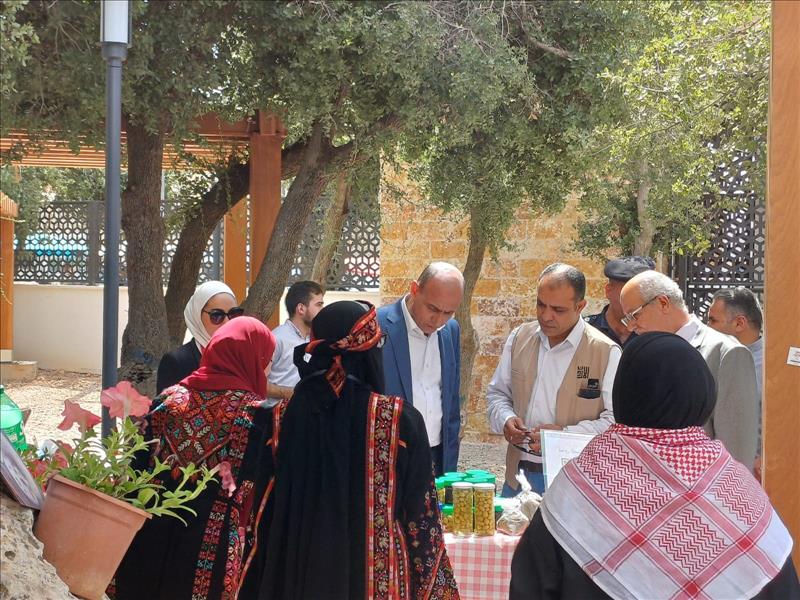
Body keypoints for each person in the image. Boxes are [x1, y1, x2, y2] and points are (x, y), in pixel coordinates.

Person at [510, 333, 798, 600]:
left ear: (624, 392)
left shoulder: (580, 484)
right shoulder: (737, 490)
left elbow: (531, 585)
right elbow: (781, 586)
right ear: (703, 394)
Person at [255, 301, 460, 599]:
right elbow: (422, 521)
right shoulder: (399, 420)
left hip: (299, 577)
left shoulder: (281, 419)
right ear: (370, 352)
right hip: (378, 582)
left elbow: (262, 514)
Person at [112, 316, 277, 600]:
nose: (269, 367)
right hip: (211, 548)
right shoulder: (257, 415)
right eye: (268, 359)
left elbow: (135, 466)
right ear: (254, 358)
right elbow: (260, 488)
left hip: (148, 534)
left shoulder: (166, 400)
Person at [487, 263, 621, 496]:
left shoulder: (605, 352)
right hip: (517, 475)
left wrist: (562, 436)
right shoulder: (520, 338)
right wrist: (506, 419)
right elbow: (498, 394)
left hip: (574, 482)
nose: (546, 316)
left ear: (580, 306)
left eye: (558, 310)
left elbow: (614, 422)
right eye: (541, 305)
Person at [620, 270, 759, 468]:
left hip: (704, 483)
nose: (631, 326)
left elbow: (736, 451)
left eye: (634, 315)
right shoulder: (643, 354)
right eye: (627, 319)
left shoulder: (726, 353)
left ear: (663, 303)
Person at [378, 262, 464, 476]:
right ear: (414, 289)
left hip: (437, 456)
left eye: (448, 312)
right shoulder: (378, 326)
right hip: (390, 457)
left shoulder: (450, 330)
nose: (438, 320)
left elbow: (451, 401)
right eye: (432, 308)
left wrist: (449, 467)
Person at [708, 286, 765, 479]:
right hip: (715, 472)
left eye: (713, 320)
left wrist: (768, 456)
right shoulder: (709, 358)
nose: (707, 327)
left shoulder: (775, 366)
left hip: (761, 476)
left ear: (739, 323)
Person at [156, 281, 242, 393]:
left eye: (233, 314)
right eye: (216, 315)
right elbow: (165, 403)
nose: (227, 322)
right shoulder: (176, 362)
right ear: (197, 316)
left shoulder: (242, 358)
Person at [267, 280, 325, 405]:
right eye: (319, 305)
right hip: (277, 413)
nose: (323, 310)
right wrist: (296, 393)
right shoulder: (277, 338)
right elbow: (260, 384)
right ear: (301, 308)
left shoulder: (316, 339)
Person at [584, 255, 655, 346]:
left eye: (643, 293)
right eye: (629, 293)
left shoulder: (654, 335)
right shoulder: (586, 331)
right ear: (609, 291)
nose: (638, 301)